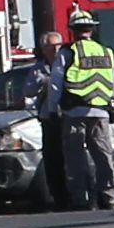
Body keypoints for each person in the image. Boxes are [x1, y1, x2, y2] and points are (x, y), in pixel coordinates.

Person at [60, 10, 114, 210]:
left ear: (72, 30)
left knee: (76, 158)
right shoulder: (106, 52)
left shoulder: (68, 52)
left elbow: (55, 84)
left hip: (74, 112)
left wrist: (54, 110)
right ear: (92, 29)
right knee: (104, 156)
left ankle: (83, 199)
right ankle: (110, 197)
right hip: (100, 112)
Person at [30, 28, 72, 210]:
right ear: (43, 48)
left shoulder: (69, 65)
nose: (55, 50)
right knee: (53, 160)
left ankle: (78, 195)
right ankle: (58, 197)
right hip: (49, 120)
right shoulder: (38, 69)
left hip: (69, 118)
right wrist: (43, 83)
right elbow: (27, 91)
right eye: (51, 46)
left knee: (73, 159)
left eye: (58, 45)